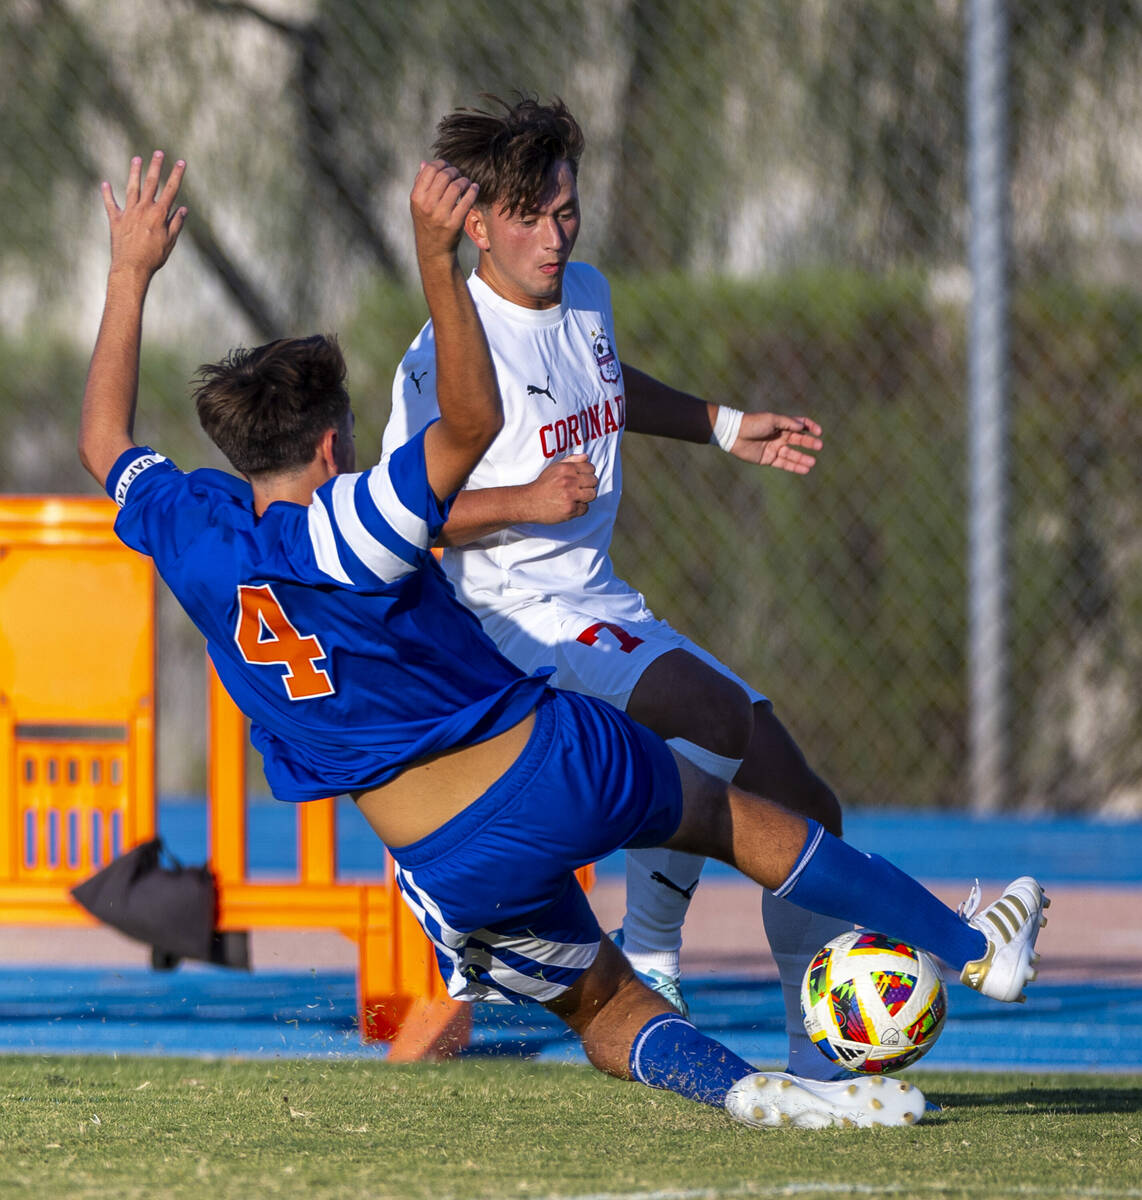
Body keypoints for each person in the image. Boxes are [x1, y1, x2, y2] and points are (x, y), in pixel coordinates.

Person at [78, 149, 1047, 1132]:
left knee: (601, 1006)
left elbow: (103, 444)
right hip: (546, 766)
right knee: (732, 816)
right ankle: (969, 948)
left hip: (444, 862)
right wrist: (431, 254)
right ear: (333, 445)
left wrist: (126, 276)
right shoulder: (350, 523)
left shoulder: (193, 532)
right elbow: (471, 421)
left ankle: (756, 1093)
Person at [381, 94, 846, 1075]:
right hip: (510, 619)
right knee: (709, 712)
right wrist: (523, 502)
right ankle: (649, 955)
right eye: (529, 218)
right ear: (475, 227)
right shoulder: (443, 352)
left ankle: (819, 1059)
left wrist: (722, 425)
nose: (554, 236)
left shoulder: (583, 291)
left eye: (565, 211)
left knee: (804, 806)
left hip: (598, 601)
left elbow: (598, 378)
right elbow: (404, 518)